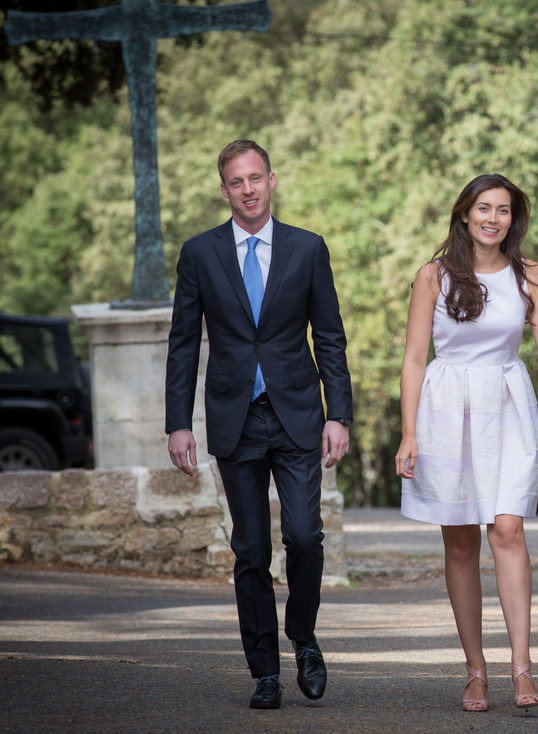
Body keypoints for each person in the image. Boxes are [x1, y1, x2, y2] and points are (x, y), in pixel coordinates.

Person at [165, 139, 353, 710]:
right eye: (235, 182)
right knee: (249, 549)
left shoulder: (307, 249)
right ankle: (265, 672)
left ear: (272, 180)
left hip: (296, 414)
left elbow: (330, 337)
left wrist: (339, 413)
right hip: (234, 419)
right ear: (224, 190)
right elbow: (182, 344)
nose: (247, 190)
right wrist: (178, 423)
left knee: (303, 536)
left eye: (255, 178)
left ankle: (305, 637)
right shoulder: (200, 253)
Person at [395, 173, 538, 713]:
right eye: (483, 208)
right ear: (465, 214)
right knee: (461, 540)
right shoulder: (433, 275)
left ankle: (521, 667)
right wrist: (409, 432)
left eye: (504, 210)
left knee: (507, 528)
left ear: (514, 218)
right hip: (447, 408)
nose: (493, 218)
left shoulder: (529, 274)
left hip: (508, 402)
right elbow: (416, 357)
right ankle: (476, 671)